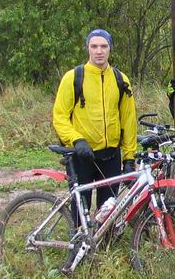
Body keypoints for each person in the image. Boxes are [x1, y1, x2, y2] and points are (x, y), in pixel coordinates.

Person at [52, 29, 137, 219]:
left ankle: (105, 245)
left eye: (104, 46)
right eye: (94, 46)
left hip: (110, 155)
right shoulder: (73, 78)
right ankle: (78, 244)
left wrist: (129, 158)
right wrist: (76, 140)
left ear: (110, 49)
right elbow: (59, 116)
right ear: (88, 48)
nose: (99, 51)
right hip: (81, 154)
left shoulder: (120, 79)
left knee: (108, 210)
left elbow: (128, 120)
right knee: (81, 209)